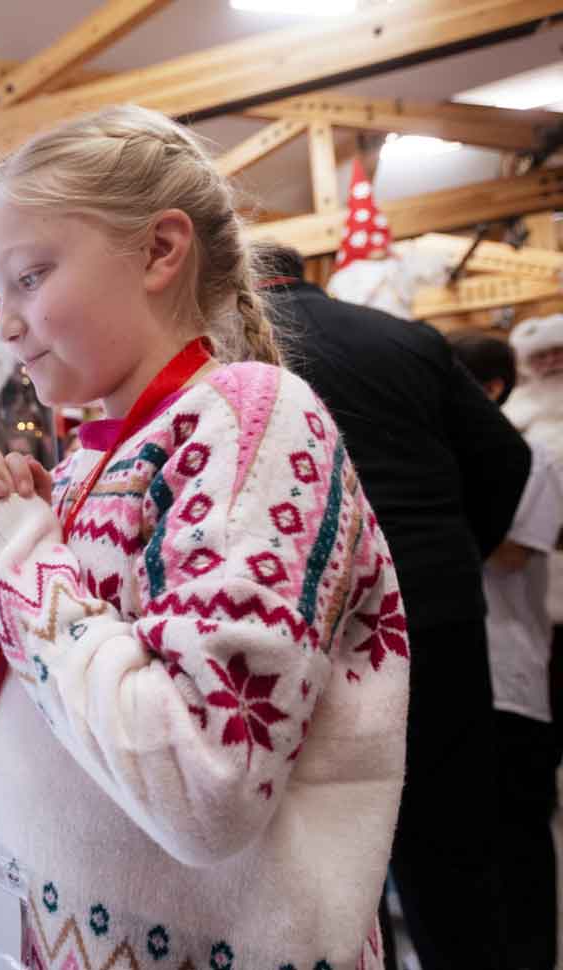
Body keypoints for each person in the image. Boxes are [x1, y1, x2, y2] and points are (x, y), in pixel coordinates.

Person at [0, 105, 408, 969]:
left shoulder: (254, 421)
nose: (7, 324)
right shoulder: (80, 464)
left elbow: (205, 785)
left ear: (160, 252)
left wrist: (17, 553)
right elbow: (45, 706)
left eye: (32, 277)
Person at [255, 242, 531, 970]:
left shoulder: (236, 355)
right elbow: (509, 458)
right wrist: (457, 552)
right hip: (440, 614)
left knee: (329, 850)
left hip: (310, 626)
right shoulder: (407, 339)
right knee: (456, 850)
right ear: (306, 273)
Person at [453, 331, 563, 970]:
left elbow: (511, 552)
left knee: (520, 836)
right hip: (455, 671)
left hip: (511, 674)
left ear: (490, 390)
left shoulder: (535, 456)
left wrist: (428, 518)